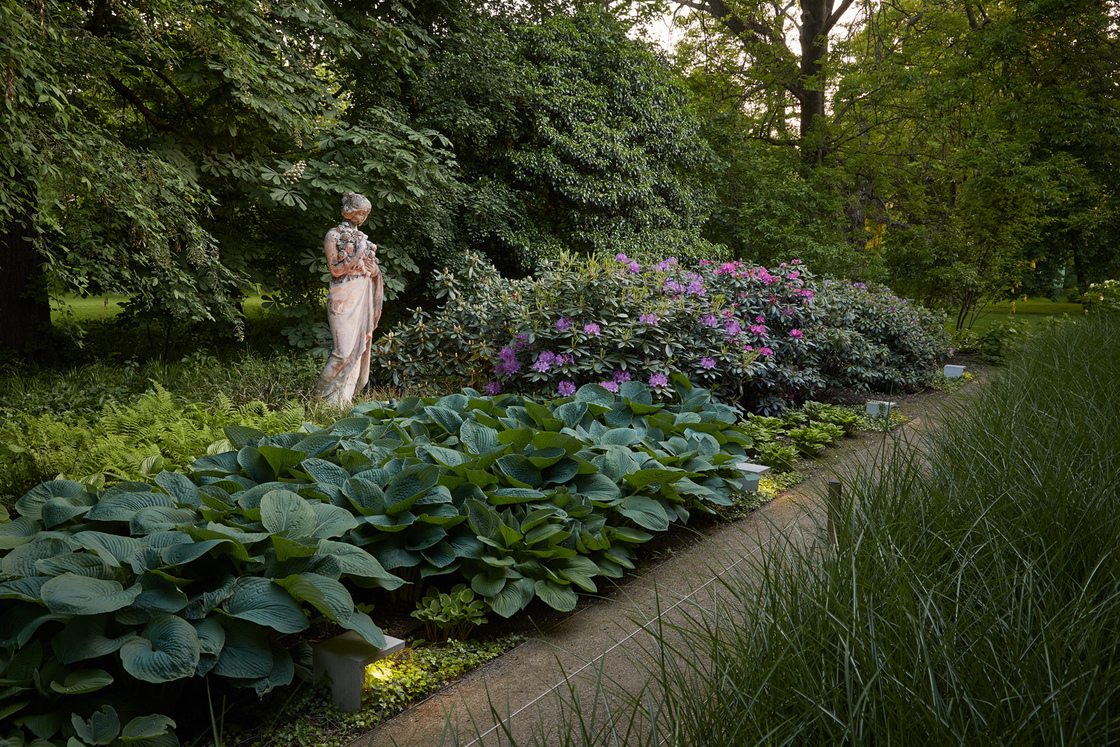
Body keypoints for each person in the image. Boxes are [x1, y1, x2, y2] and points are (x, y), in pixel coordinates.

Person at [313, 192, 383, 406]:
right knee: (343, 351)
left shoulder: (363, 239)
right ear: (350, 211)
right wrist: (358, 253)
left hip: (362, 292)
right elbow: (335, 270)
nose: (362, 218)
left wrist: (374, 272)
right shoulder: (333, 236)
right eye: (360, 212)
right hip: (343, 295)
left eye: (366, 214)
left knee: (357, 348)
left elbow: (372, 270)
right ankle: (318, 399)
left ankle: (342, 403)